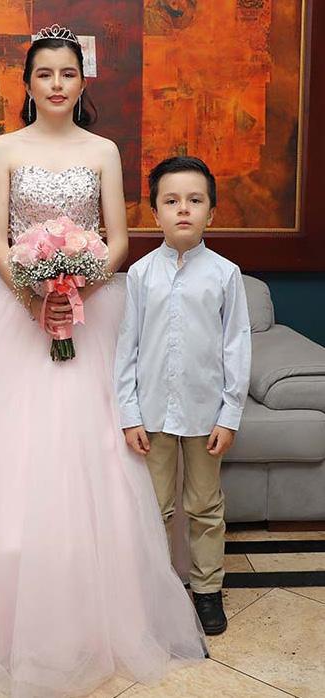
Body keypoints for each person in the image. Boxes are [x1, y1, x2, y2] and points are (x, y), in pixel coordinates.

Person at [0, 28, 206, 697]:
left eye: (67, 74)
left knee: (96, 457)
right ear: (26, 84)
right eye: (44, 74)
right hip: (15, 316)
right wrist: (33, 295)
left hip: (90, 312)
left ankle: (96, 614)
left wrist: (77, 286)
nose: (56, 84)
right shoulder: (5, 148)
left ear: (82, 83)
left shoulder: (102, 151)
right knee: (1, 463)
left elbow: (117, 237)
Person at [115, 156, 251, 635]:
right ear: (155, 213)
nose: (184, 209)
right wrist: (129, 413)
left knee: (205, 505)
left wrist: (229, 415)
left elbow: (236, 347)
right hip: (152, 413)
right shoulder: (140, 274)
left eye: (195, 200)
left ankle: (207, 590)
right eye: (171, 201)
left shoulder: (226, 274)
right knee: (153, 507)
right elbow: (127, 347)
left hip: (204, 413)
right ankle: (154, 591)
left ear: (212, 212)